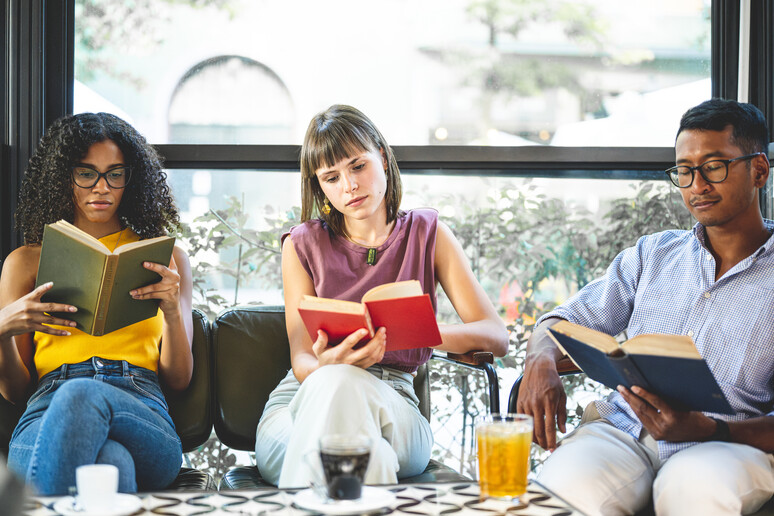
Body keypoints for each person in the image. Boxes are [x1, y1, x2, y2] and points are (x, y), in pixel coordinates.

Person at [518, 98, 774, 516]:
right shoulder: (653, 254)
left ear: (758, 170)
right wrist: (541, 359)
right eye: (685, 171)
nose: (697, 186)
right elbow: (561, 321)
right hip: (623, 430)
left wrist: (711, 428)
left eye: (714, 166)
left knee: (691, 491)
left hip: (729, 444)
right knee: (559, 495)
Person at [255, 104, 509, 487]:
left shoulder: (429, 234)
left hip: (394, 404)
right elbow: (302, 360)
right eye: (331, 177)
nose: (349, 186)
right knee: (345, 408)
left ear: (384, 160)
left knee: (328, 447)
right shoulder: (301, 244)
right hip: (302, 399)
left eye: (358, 166)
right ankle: (370, 472)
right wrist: (329, 366)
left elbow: (496, 336)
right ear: (320, 187)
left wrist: (418, 330)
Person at [0, 112, 193, 495]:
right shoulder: (24, 263)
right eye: (86, 173)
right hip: (46, 409)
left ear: (130, 179)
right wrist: (3, 329)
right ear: (63, 176)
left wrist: (171, 310)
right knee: (111, 464)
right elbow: (15, 390)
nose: (101, 188)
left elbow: (179, 380)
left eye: (115, 174)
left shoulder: (167, 259)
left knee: (82, 394)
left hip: (141, 408)